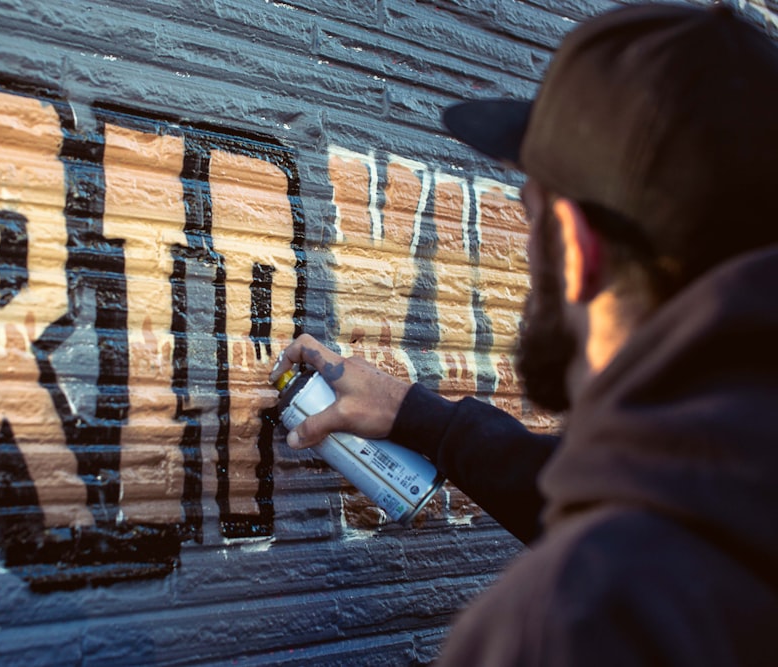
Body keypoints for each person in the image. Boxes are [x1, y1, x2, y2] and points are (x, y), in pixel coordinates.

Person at [269, 3, 778, 665]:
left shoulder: (578, 623)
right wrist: (419, 417)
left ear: (574, 245)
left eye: (529, 214)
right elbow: (654, 489)